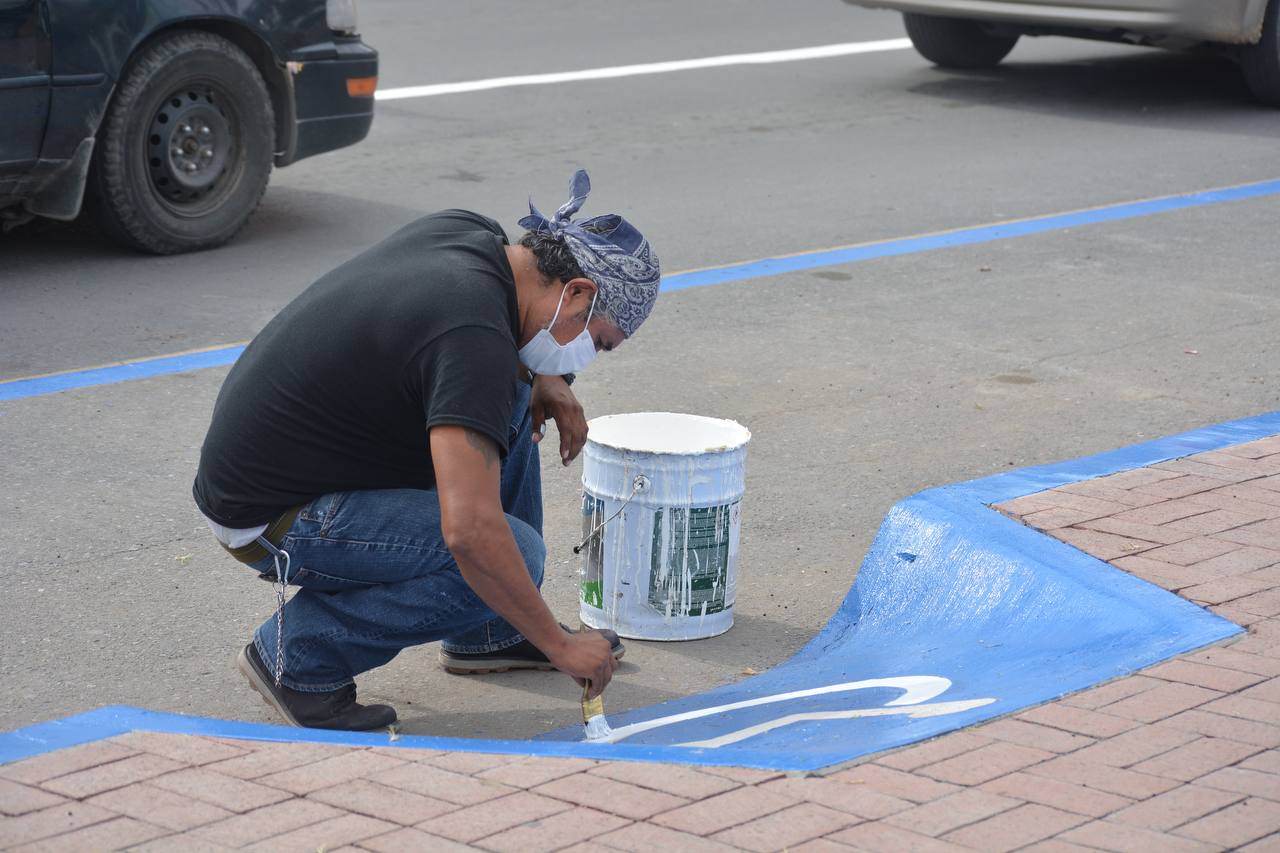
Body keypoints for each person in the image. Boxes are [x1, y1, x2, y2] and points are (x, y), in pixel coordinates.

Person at [192, 170, 660, 730]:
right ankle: (296, 660)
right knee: (506, 551)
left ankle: (491, 631)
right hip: (271, 517)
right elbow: (470, 533)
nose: (587, 358)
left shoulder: (476, 242)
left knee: (514, 385)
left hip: (284, 463)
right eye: (597, 342)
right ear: (577, 292)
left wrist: (539, 377)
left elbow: (457, 348)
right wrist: (559, 645)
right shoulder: (473, 338)